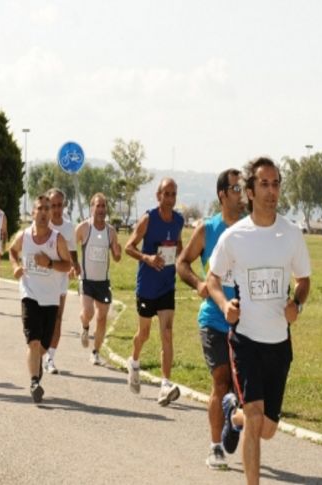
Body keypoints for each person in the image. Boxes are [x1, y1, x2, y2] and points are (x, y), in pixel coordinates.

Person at [207, 157, 311, 485]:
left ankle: (231, 414)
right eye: (264, 184)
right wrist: (225, 305)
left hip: (279, 342)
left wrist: (296, 302)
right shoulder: (235, 237)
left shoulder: (291, 234)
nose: (271, 190)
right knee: (255, 417)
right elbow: (212, 279)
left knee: (267, 428)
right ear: (250, 192)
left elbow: (304, 279)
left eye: (276, 183)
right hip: (246, 339)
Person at [177, 168, 245, 469]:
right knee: (220, 380)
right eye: (235, 188)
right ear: (222, 194)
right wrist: (199, 284)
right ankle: (216, 446)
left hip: (246, 322)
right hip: (214, 320)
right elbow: (182, 263)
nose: (240, 193)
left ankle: (233, 417)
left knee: (241, 388)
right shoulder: (207, 229)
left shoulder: (250, 229)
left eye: (242, 188)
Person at [124, 177, 185, 406]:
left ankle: (165, 385)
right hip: (147, 286)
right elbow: (129, 247)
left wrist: (182, 257)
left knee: (167, 333)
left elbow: (178, 244)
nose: (170, 198)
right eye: (166, 194)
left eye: (173, 194)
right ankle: (134, 361)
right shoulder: (148, 219)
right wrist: (147, 258)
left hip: (167, 285)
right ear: (158, 196)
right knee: (144, 334)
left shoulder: (178, 220)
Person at [8, 195, 72, 403]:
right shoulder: (24, 236)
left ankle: (36, 365)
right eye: (40, 209)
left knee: (43, 346)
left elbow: (67, 265)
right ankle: (35, 382)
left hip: (51, 299)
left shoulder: (57, 239)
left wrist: (50, 264)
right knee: (33, 342)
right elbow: (12, 251)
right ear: (33, 212)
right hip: (29, 294)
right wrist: (16, 267)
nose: (44, 212)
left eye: (47, 209)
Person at [75, 192, 122, 365]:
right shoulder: (83, 228)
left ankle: (95, 352)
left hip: (103, 282)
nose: (101, 209)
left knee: (102, 317)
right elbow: (71, 247)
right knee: (88, 312)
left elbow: (116, 257)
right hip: (86, 280)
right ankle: (85, 327)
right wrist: (73, 265)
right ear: (91, 207)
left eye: (103, 206)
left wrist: (118, 253)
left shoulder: (111, 231)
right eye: (98, 205)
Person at [42, 188, 79, 375]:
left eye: (59, 205)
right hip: (41, 280)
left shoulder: (68, 227)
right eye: (53, 205)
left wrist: (75, 266)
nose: (56, 209)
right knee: (42, 319)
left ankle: (50, 357)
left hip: (60, 280)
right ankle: (39, 349)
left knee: (57, 317)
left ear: (64, 205)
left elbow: (72, 252)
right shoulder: (42, 224)